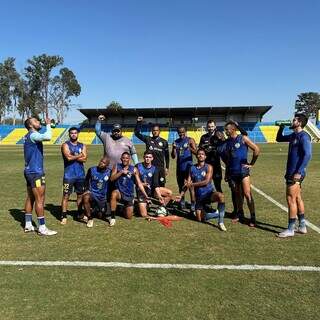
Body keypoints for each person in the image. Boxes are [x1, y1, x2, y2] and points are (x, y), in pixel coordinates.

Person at [276, 113, 312, 238]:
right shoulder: (294, 135)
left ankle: (290, 229)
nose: (292, 121)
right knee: (297, 198)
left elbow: (308, 155)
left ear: (300, 123)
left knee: (291, 199)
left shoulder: (304, 136)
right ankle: (302, 226)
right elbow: (279, 139)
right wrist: (281, 127)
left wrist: (299, 171)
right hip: (292, 172)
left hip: (295, 173)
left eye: (294, 120)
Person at [23, 117, 57, 236]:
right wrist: (48, 125)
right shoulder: (33, 135)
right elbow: (47, 137)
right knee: (40, 199)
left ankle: (28, 224)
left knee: (31, 197)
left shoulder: (27, 135)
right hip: (35, 172)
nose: (38, 122)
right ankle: (42, 228)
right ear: (31, 125)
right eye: (36, 121)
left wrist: (50, 126)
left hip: (29, 171)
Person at [180, 148, 227, 231]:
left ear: (205, 157)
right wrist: (181, 195)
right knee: (199, 219)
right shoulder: (192, 168)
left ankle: (221, 222)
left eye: (202, 154)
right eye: (199, 154)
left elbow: (206, 182)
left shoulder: (209, 167)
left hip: (209, 194)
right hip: (199, 197)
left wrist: (192, 184)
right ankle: (216, 213)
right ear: (196, 156)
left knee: (221, 196)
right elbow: (187, 183)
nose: (200, 155)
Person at [224, 121, 260, 227]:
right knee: (238, 195)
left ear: (233, 129)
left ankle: (253, 217)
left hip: (243, 171)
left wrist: (252, 163)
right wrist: (226, 172)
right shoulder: (228, 142)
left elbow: (256, 149)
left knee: (247, 194)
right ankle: (240, 214)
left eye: (227, 129)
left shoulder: (243, 138)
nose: (225, 131)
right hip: (232, 172)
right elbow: (228, 159)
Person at [109, 152, 149, 226]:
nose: (125, 159)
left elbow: (139, 183)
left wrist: (145, 195)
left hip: (129, 194)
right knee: (114, 194)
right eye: (123, 158)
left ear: (129, 159)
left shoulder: (134, 169)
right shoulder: (117, 166)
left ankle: (122, 208)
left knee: (129, 217)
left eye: (127, 158)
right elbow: (111, 179)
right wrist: (121, 172)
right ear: (121, 158)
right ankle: (113, 217)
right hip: (119, 192)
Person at [60, 127, 87, 225]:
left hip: (80, 175)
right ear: (69, 134)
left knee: (80, 195)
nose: (73, 135)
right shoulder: (65, 145)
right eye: (71, 133)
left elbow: (85, 159)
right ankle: (63, 215)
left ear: (78, 134)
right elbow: (68, 158)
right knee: (66, 195)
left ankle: (79, 213)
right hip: (69, 175)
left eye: (75, 133)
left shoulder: (82, 145)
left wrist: (74, 156)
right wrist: (79, 155)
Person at [134, 116, 169, 187]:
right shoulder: (148, 139)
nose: (155, 132)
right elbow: (137, 133)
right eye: (153, 130)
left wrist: (167, 167)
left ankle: (160, 198)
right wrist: (138, 122)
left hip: (160, 168)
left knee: (161, 185)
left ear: (159, 131)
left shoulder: (164, 142)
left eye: (156, 130)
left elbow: (167, 156)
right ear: (152, 131)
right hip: (150, 167)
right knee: (150, 185)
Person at [136, 151, 173, 217]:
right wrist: (142, 184)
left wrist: (159, 196)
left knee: (169, 193)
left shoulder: (155, 169)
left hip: (152, 191)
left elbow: (156, 184)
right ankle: (139, 205)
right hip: (141, 192)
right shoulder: (138, 166)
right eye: (146, 157)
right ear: (143, 157)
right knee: (143, 215)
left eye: (149, 157)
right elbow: (134, 181)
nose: (148, 159)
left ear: (152, 158)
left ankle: (161, 208)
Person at [171, 126, 197, 209]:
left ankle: (193, 205)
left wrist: (189, 147)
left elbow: (197, 152)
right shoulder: (176, 141)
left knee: (190, 186)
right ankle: (182, 203)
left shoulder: (190, 140)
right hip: (179, 167)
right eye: (179, 132)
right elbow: (173, 156)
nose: (181, 134)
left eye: (182, 132)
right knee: (180, 185)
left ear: (185, 131)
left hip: (188, 167)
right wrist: (174, 148)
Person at [82, 156, 112, 228]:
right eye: (101, 161)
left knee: (100, 215)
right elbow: (86, 181)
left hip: (103, 196)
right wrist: (86, 190)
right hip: (93, 194)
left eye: (104, 163)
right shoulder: (92, 170)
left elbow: (111, 185)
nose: (101, 163)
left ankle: (97, 210)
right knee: (86, 197)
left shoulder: (109, 172)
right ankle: (90, 219)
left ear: (107, 165)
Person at [199, 120, 224, 192]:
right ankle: (207, 203)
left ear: (215, 127)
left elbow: (224, 146)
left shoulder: (219, 135)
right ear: (207, 127)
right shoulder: (203, 137)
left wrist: (221, 139)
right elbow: (200, 149)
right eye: (209, 127)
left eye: (212, 126)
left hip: (216, 165)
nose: (211, 128)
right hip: (206, 165)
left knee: (218, 186)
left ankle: (221, 203)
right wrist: (204, 148)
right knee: (206, 185)